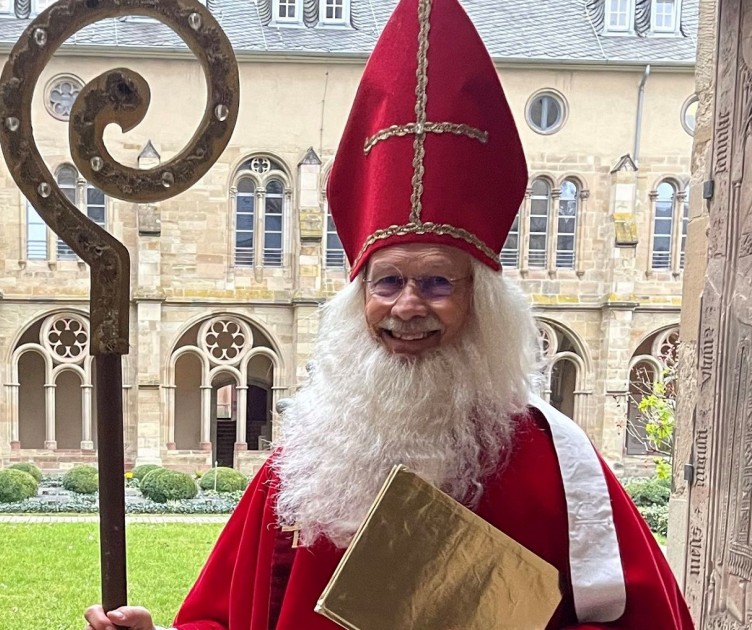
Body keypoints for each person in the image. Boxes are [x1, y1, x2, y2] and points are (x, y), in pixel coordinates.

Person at [84, 0, 694, 626]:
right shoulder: (309, 464)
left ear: (480, 303)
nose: (407, 307)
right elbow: (227, 617)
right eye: (388, 282)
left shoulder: (561, 470)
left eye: (437, 282)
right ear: (358, 300)